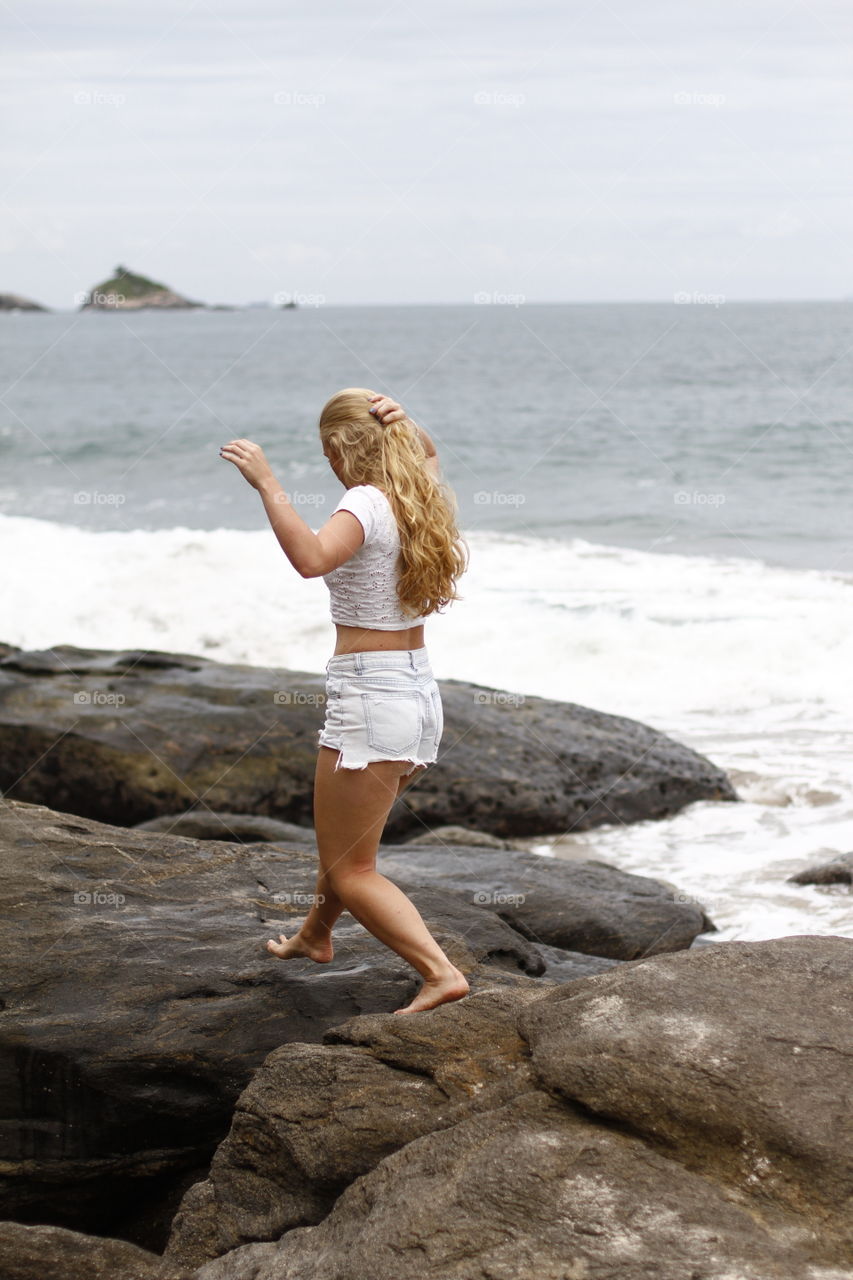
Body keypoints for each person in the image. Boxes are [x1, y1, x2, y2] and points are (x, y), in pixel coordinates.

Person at [219, 389, 470, 1014]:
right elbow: (429, 454)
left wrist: (267, 483)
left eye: (326, 449)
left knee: (354, 869)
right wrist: (408, 419)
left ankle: (439, 973)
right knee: (346, 847)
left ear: (338, 448)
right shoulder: (421, 497)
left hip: (370, 696)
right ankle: (316, 935)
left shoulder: (364, 500)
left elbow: (311, 559)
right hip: (415, 694)